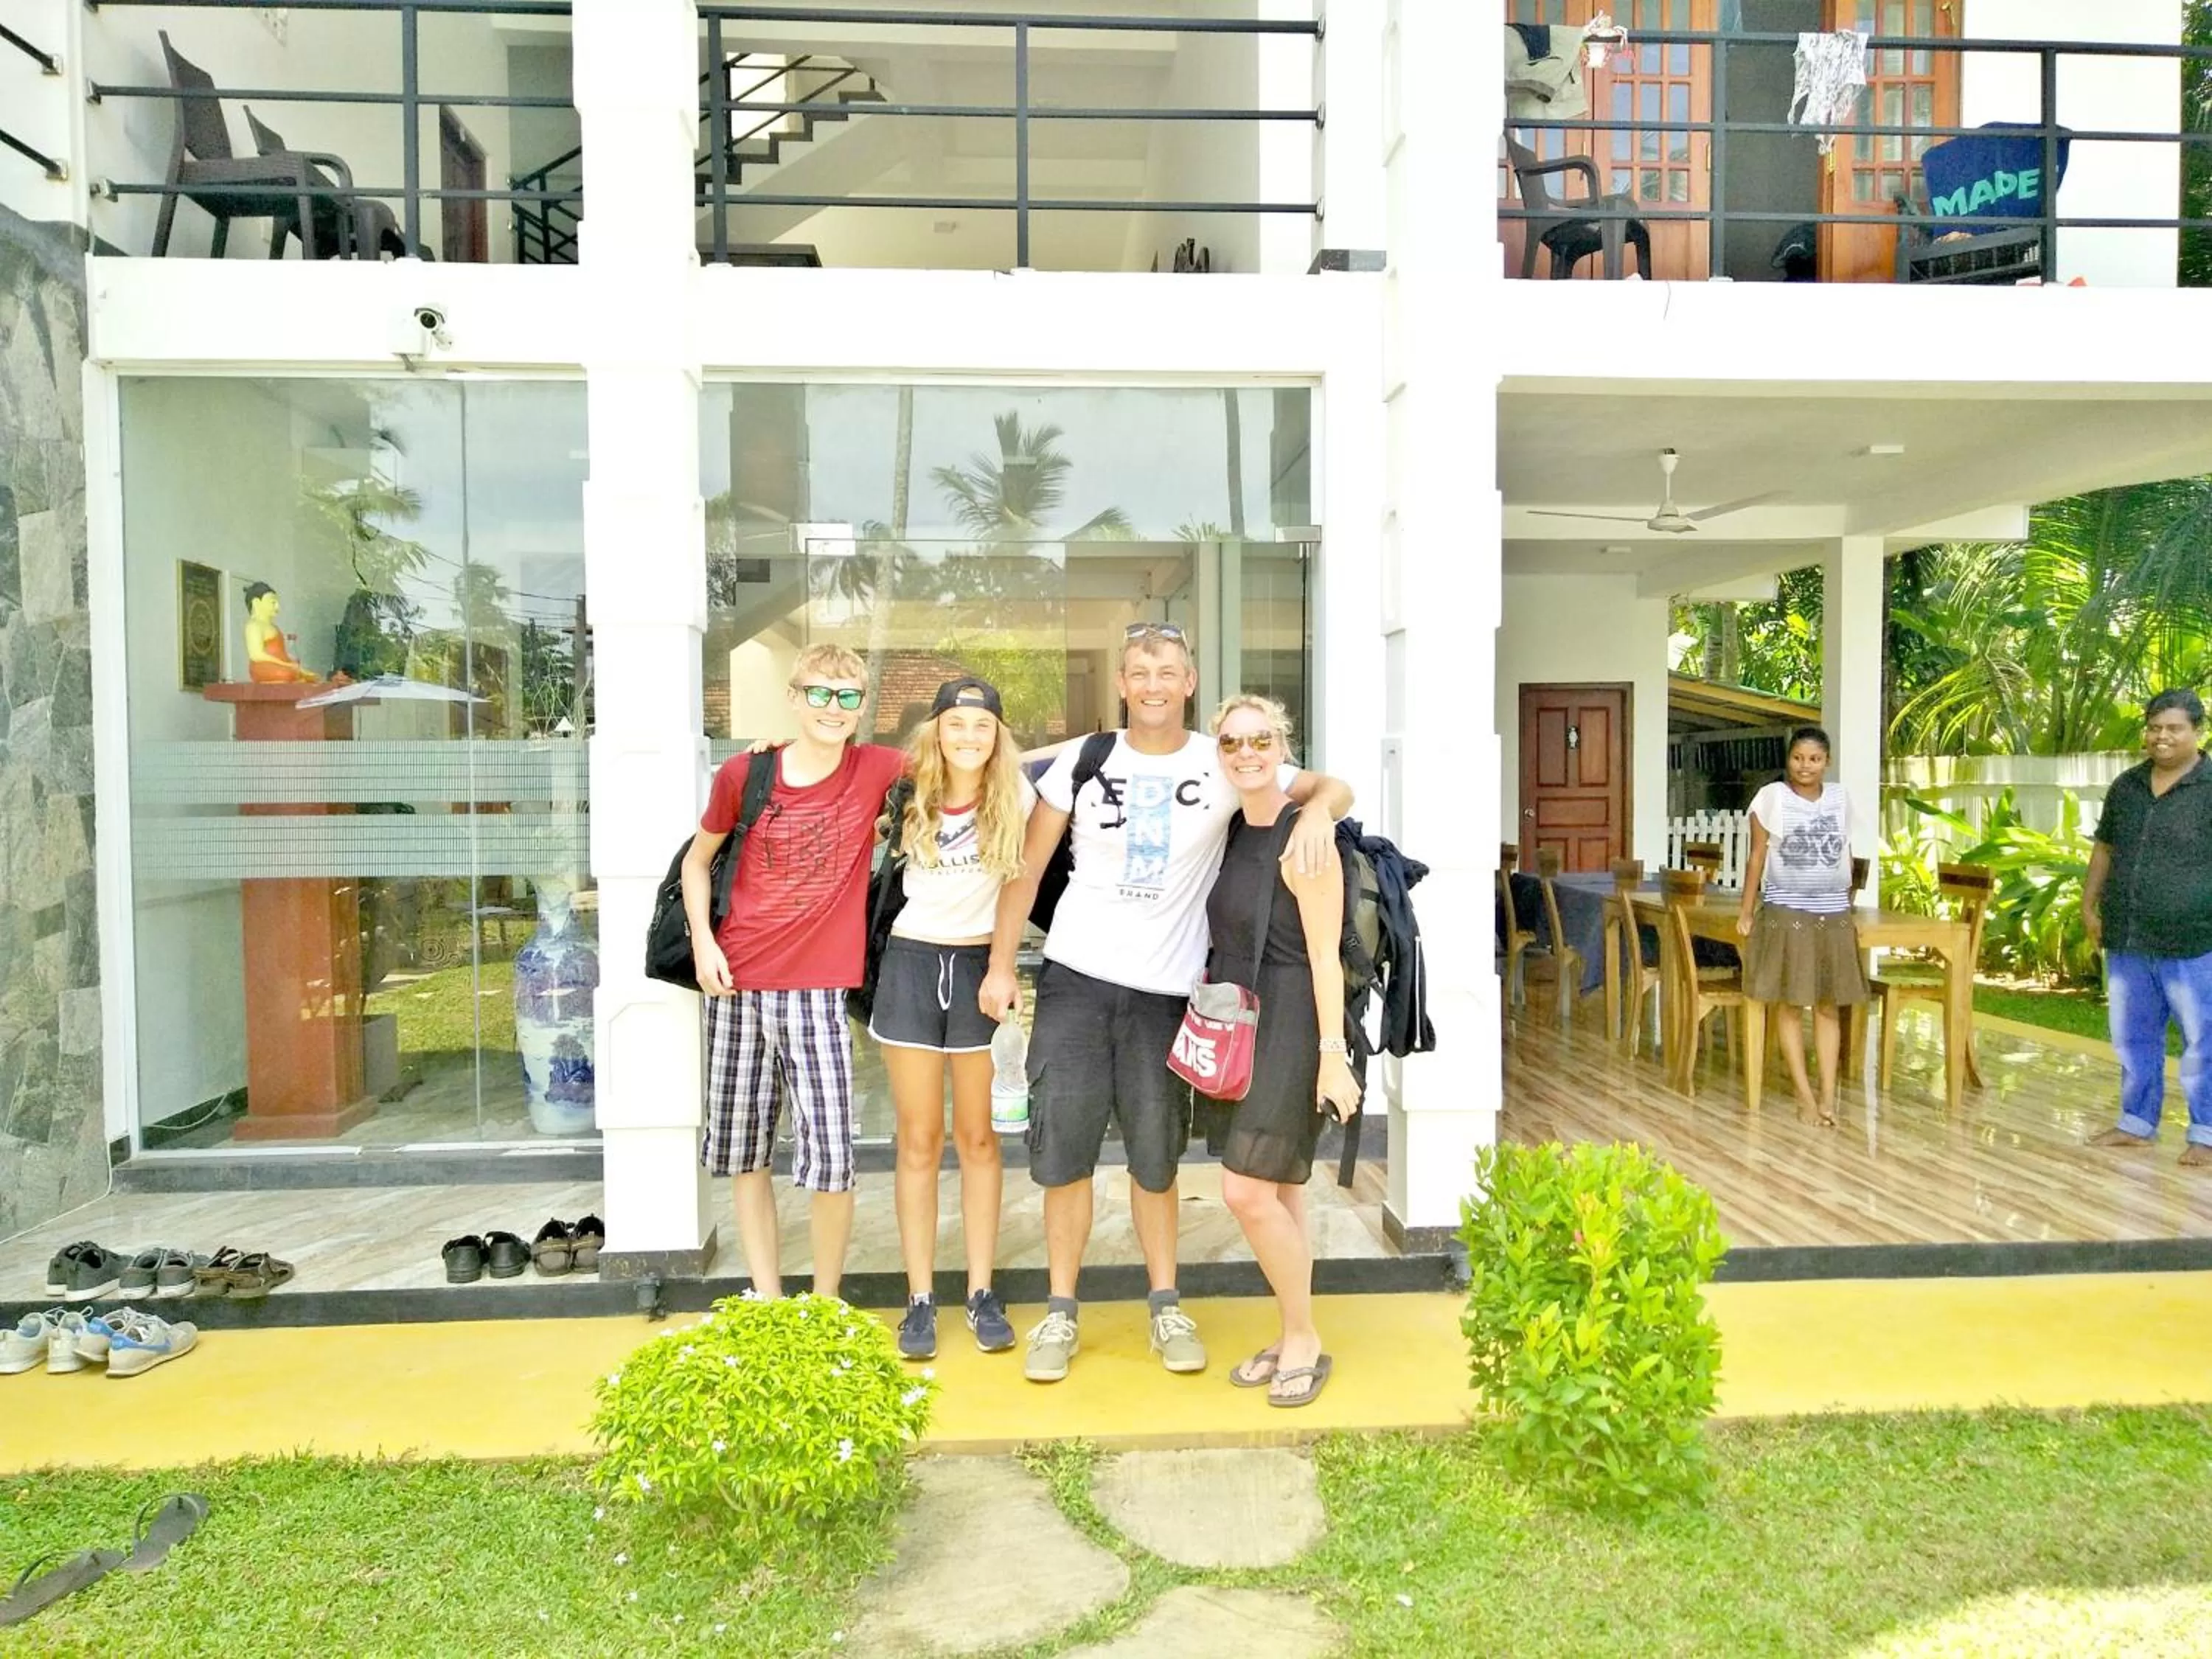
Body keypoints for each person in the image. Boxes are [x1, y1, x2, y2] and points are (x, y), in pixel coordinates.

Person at [980, 623, 1352, 1384]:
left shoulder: (1223, 760)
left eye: (1169, 671)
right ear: (1123, 682)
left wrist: (1319, 812)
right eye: (1140, 671)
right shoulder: (1088, 760)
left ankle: (1165, 1305)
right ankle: (1060, 1312)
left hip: (1169, 996)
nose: (1153, 683)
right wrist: (999, 964)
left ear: (1189, 683)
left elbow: (1323, 785)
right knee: (1064, 1161)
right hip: (1075, 983)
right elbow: (1026, 867)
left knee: (1156, 1162)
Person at [681, 644, 905, 1301]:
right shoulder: (745, 774)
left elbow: (969, 755)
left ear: (863, 706)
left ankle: (826, 1300)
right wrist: (703, 943)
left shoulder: (878, 769)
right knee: (746, 1152)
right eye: (818, 693)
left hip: (818, 993)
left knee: (832, 1159)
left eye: (846, 697)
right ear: (794, 695)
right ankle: (767, 1296)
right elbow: (699, 862)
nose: (831, 709)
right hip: (738, 983)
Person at [1205, 695, 1362, 1408]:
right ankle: (1292, 1327)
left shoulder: (1308, 833)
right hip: (1243, 1017)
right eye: (1232, 743)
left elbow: (1326, 957)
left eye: (1259, 740)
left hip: (1297, 1019)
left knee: (1245, 1190)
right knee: (1282, 1186)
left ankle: (1303, 1337)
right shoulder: (1234, 827)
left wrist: (1334, 1054)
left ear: (1282, 747)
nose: (1246, 753)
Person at [872, 678, 1032, 1359]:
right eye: (957, 724)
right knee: (917, 1139)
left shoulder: (1018, 795)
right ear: (936, 729)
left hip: (976, 974)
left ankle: (979, 1290)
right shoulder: (903, 792)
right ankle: (918, 1298)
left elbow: (1087, 746)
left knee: (979, 1140)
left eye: (983, 726)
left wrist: (1003, 967)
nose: (969, 737)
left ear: (998, 735)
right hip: (908, 967)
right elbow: (830, 758)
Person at [2084, 689, 2212, 1168]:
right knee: (2133, 1036)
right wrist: (2088, 905)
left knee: (2204, 1038)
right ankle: (2137, 1124)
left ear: (2196, 731)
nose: (2162, 737)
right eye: (2155, 727)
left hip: (2195, 939)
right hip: (2129, 935)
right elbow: (2105, 849)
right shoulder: (2128, 786)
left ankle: (2206, 1133)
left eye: (2173, 728)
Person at [1735, 726, 1867, 1127]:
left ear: (1827, 762)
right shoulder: (1771, 799)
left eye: (1814, 759)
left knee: (1828, 1006)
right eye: (1797, 758)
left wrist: (1849, 906)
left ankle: (1828, 1095)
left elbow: (1843, 852)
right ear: (1788, 760)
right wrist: (1746, 911)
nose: (1805, 766)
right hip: (1786, 914)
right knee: (1790, 1004)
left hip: (1833, 915)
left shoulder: (1841, 799)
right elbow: (1757, 857)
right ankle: (1804, 1096)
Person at [242, 582, 321, 684]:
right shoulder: (253, 626)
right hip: (265, 666)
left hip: (281, 665)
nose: (277, 607)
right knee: (287, 674)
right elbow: (256, 655)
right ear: (256, 603)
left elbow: (281, 653)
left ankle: (296, 677)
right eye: (273, 602)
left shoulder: (274, 627)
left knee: (307, 676)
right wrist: (286, 665)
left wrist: (299, 669)